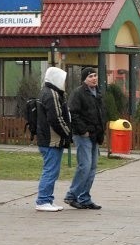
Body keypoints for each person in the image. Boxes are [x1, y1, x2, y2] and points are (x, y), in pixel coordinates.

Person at [64, 67, 106, 210]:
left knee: (92, 167)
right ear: (84, 79)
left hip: (95, 135)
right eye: (90, 76)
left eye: (95, 75)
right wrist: (83, 131)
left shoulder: (97, 93)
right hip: (83, 135)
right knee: (85, 166)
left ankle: (84, 197)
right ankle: (71, 195)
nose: (94, 78)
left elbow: (100, 114)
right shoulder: (78, 93)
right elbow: (73, 114)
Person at [35, 66, 72, 212]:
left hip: (47, 138)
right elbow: (56, 118)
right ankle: (43, 200)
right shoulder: (52, 95)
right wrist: (68, 133)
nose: (64, 82)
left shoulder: (45, 92)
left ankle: (47, 199)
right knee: (50, 170)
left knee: (51, 170)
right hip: (52, 140)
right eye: (62, 79)